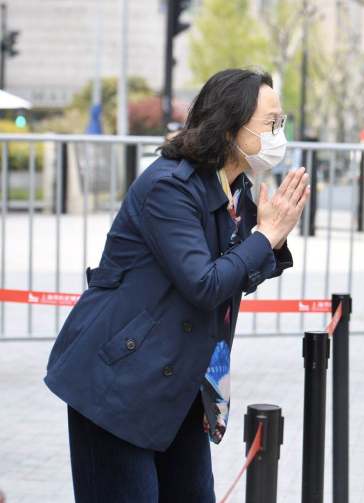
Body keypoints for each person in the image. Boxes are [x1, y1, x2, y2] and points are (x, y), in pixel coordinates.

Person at [44, 68, 309, 502]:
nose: (279, 135)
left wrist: (270, 239)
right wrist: (265, 236)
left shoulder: (234, 188)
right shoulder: (170, 186)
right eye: (271, 123)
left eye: (282, 123)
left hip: (179, 383)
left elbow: (233, 275)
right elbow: (205, 283)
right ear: (230, 127)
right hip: (117, 383)